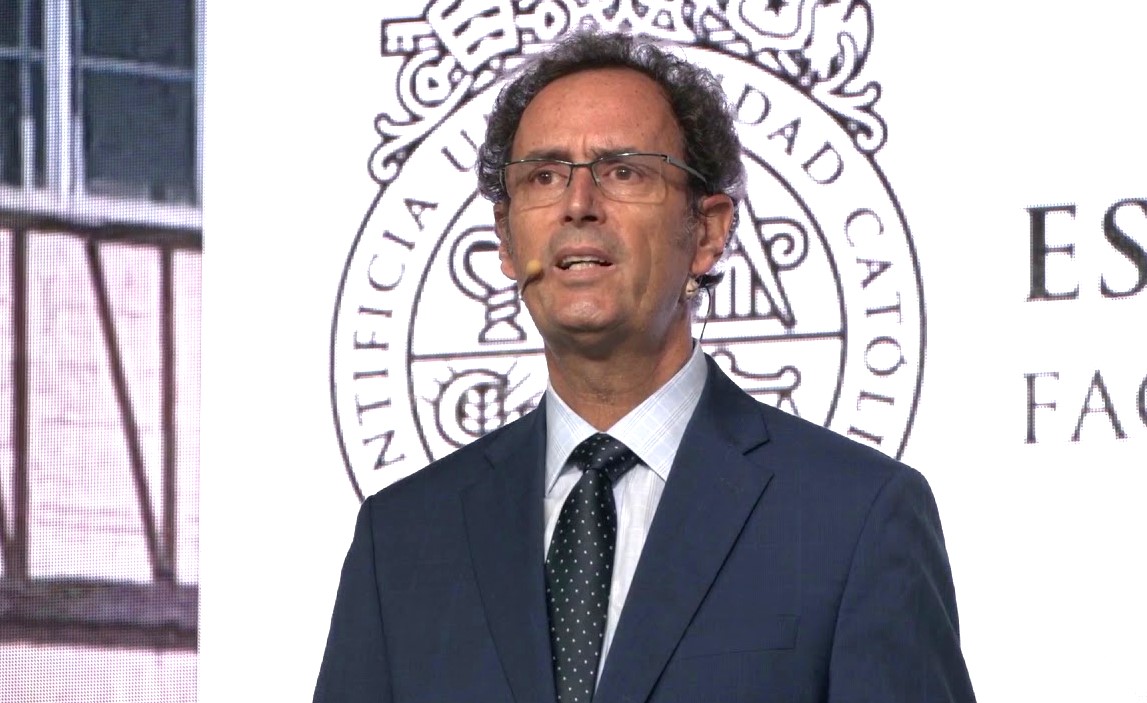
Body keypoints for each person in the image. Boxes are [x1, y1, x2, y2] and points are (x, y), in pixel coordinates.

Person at [314, 30, 976, 703]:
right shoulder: (401, 538)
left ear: (708, 232)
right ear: (506, 242)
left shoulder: (854, 516)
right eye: (543, 175)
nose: (578, 203)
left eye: (623, 171)